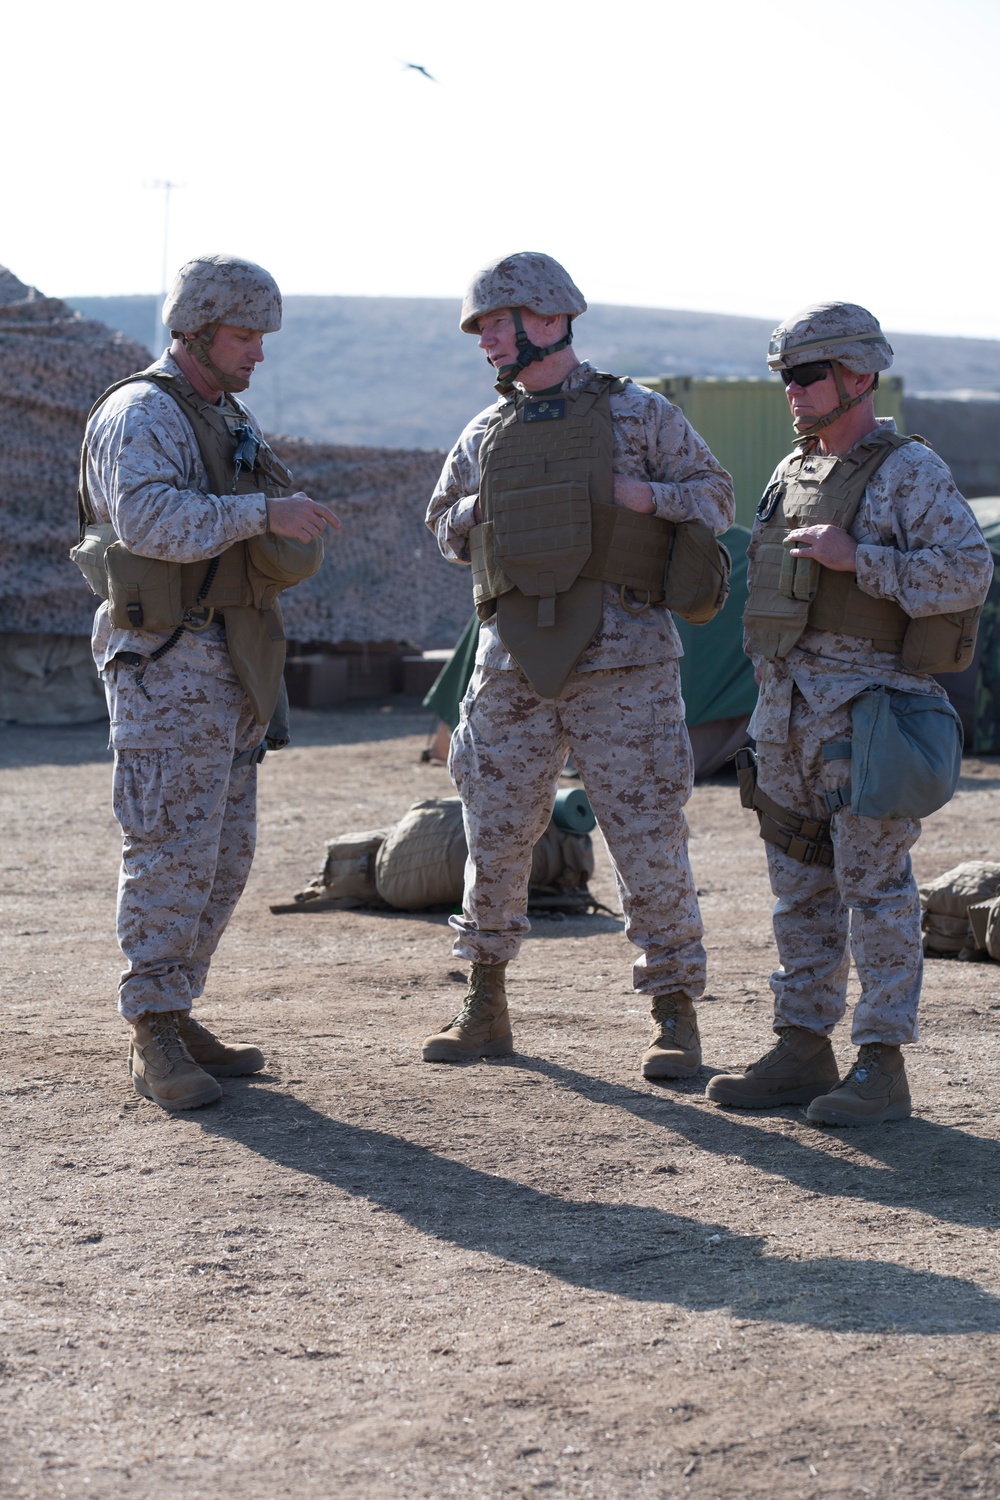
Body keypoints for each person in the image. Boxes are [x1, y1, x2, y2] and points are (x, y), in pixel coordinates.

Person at [422, 251, 734, 1073]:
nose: (486, 340)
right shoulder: (485, 431)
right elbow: (442, 527)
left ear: (551, 319)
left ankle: (674, 1015)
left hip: (623, 666)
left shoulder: (640, 414)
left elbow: (718, 498)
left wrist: (647, 498)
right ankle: (485, 1003)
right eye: (481, 327)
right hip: (509, 669)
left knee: (648, 840)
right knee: (492, 835)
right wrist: (481, 509)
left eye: (497, 322)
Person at [707, 302, 993, 1125]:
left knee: (877, 893)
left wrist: (858, 559)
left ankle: (881, 1063)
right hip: (788, 720)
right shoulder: (792, 472)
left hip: (866, 720)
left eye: (807, 375)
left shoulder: (908, 470)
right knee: (798, 895)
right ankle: (802, 1045)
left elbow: (967, 573)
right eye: (785, 377)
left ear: (859, 376)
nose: (791, 392)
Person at [76, 254, 339, 1112]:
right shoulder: (142, 412)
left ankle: (178, 1008)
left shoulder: (223, 415)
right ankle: (149, 1028)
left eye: (261, 335)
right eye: (243, 335)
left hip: (229, 662)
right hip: (166, 665)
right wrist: (264, 513)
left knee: (224, 856)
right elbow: (148, 520)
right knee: (169, 847)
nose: (258, 351)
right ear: (195, 331)